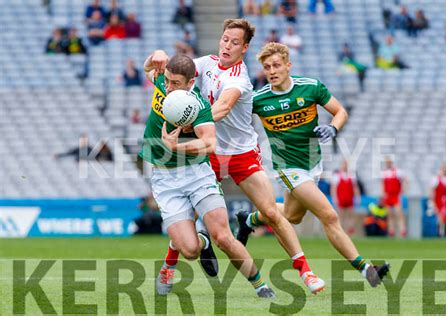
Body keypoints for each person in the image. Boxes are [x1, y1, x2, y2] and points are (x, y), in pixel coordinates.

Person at [150, 19, 325, 295]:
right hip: (211, 153)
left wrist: (188, 124)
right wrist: (160, 56)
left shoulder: (239, 79)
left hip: (242, 153)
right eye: (225, 39)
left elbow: (222, 107)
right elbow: (177, 69)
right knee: (187, 214)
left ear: (244, 48)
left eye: (234, 42)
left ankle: (306, 271)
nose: (227, 45)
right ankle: (169, 266)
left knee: (270, 212)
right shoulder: (205, 63)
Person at [239, 42, 390, 288]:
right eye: (267, 67)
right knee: (328, 215)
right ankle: (366, 270)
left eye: (277, 65)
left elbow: (340, 111)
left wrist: (333, 127)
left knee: (291, 217)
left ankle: (250, 219)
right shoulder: (259, 99)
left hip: (313, 164)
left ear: (289, 65)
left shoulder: (311, 87)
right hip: (287, 168)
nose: (272, 70)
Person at [141, 53, 275, 298]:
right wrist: (154, 56)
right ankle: (199, 241)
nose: (169, 87)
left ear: (191, 83)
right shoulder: (163, 82)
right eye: (168, 81)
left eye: (176, 83)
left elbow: (209, 143)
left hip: (198, 175)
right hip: (165, 180)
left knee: (223, 237)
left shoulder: (199, 106)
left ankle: (260, 285)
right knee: (190, 250)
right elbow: (148, 67)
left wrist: (176, 147)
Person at [331, 160, 361, 235]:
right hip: (341, 198)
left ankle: (349, 230)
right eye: (344, 164)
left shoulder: (351, 175)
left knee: (350, 214)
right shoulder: (337, 176)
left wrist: (357, 197)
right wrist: (335, 198)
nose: (345, 166)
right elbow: (333, 188)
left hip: (349, 198)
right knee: (341, 215)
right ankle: (341, 231)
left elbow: (355, 187)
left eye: (346, 164)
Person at [381, 157, 407, 237]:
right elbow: (383, 184)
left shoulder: (397, 172)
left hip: (395, 196)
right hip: (388, 196)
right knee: (390, 214)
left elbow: (405, 180)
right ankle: (391, 231)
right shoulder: (384, 173)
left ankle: (402, 230)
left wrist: (403, 189)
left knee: (399, 213)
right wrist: (383, 193)